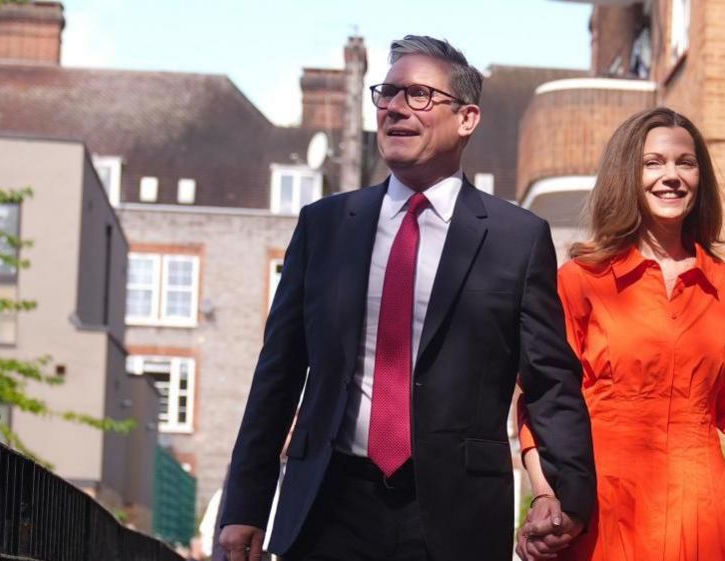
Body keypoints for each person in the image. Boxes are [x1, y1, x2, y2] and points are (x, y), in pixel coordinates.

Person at [218, 35, 596, 561]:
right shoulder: (325, 226)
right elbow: (277, 377)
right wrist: (244, 507)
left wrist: (567, 497)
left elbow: (550, 384)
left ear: (467, 118)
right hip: (330, 504)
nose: (394, 107)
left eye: (417, 94)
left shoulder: (517, 238)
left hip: (455, 513)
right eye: (387, 93)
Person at [516, 107, 725, 561]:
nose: (671, 176)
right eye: (654, 163)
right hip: (604, 511)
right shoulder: (579, 281)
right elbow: (541, 403)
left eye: (685, 163)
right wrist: (549, 496)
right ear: (627, 175)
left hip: (703, 515)